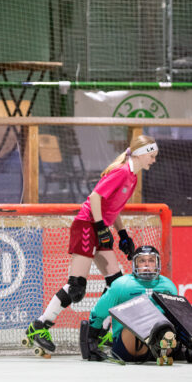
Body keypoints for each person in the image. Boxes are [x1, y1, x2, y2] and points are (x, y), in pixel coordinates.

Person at [25, 135, 159, 355]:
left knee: (116, 285)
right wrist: (100, 227)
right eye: (151, 156)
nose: (153, 160)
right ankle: (39, 326)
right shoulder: (121, 172)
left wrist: (122, 234)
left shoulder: (132, 177)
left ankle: (101, 331)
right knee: (76, 287)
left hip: (98, 226)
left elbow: (113, 208)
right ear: (140, 153)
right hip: (87, 225)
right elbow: (95, 197)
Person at [83, 245, 192, 364]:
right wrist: (91, 339)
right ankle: (176, 347)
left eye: (151, 261)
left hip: (164, 339)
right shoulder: (121, 285)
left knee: (175, 319)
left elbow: (179, 316)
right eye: (142, 261)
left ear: (157, 264)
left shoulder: (168, 285)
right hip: (130, 346)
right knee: (147, 320)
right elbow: (98, 313)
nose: (147, 264)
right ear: (135, 264)